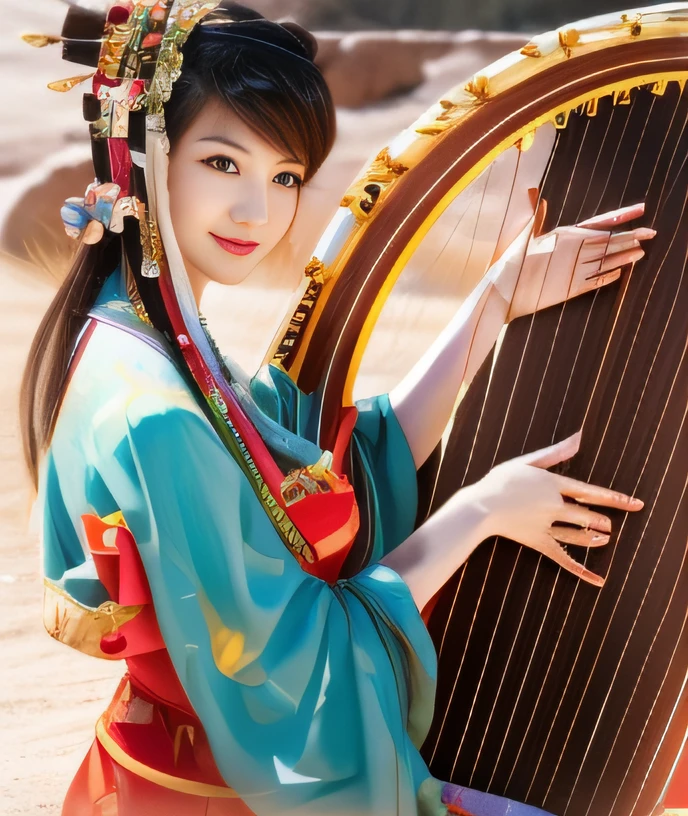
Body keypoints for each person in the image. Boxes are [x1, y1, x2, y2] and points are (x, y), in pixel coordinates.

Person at [20, 2, 651, 814]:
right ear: (143, 154)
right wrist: (478, 513)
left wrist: (495, 299)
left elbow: (317, 454)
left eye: (284, 176)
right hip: (232, 788)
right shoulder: (156, 411)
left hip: (175, 761)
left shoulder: (141, 331)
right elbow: (298, 670)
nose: (260, 211)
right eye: (223, 163)